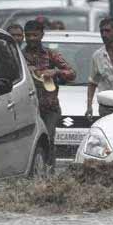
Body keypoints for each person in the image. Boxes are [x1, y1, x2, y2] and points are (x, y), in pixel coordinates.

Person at [22, 20, 76, 167]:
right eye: (28, 35)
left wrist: (56, 72)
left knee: (48, 140)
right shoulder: (20, 56)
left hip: (49, 108)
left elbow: (72, 73)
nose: (32, 38)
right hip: (27, 108)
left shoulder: (51, 54)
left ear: (41, 35)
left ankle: (49, 173)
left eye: (35, 35)